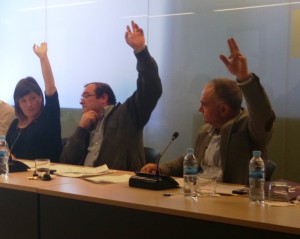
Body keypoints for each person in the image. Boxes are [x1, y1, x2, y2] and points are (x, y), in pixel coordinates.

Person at [141, 38, 276, 185]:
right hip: (199, 195)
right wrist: (161, 169)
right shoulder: (206, 131)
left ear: (223, 109)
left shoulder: (248, 129)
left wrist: (244, 78)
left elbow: (263, 115)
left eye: (204, 105)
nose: (199, 109)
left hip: (230, 201)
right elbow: (189, 159)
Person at [60, 21, 162, 171]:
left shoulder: (127, 114)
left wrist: (141, 51)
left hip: (117, 187)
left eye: (87, 96)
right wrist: (81, 128)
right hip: (83, 185)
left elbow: (151, 90)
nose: (82, 101)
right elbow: (65, 161)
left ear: (103, 98)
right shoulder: (88, 124)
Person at [6, 43, 62, 162]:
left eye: (32, 98)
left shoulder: (48, 117)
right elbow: (6, 150)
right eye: (23, 100)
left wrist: (43, 58)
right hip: (16, 177)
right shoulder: (15, 124)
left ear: (41, 97)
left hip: (46, 175)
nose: (29, 104)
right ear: (18, 103)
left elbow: (50, 87)